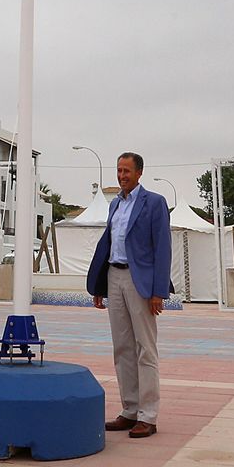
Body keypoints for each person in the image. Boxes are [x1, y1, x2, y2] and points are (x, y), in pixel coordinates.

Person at [86, 152, 171, 439]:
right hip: (114, 276)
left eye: (127, 171)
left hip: (140, 281)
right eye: (119, 170)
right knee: (122, 347)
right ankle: (130, 410)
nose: (122, 175)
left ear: (139, 173)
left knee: (145, 348)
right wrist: (99, 286)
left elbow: (162, 248)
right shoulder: (114, 204)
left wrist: (159, 291)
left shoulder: (154, 202)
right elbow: (109, 243)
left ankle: (149, 415)